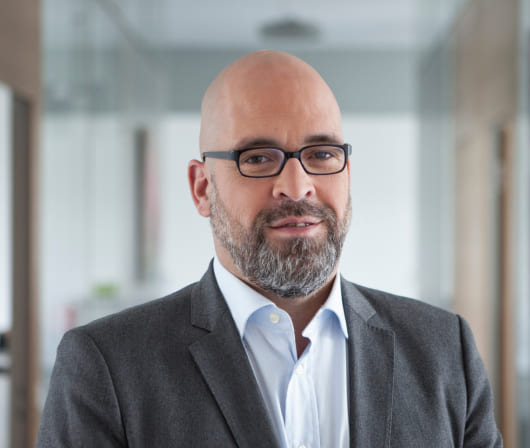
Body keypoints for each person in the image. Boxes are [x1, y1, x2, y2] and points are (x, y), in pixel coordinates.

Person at [36, 50, 502, 447]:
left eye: (321, 154)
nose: (296, 187)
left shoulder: (444, 351)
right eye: (257, 158)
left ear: (346, 173)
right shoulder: (108, 366)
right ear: (202, 188)